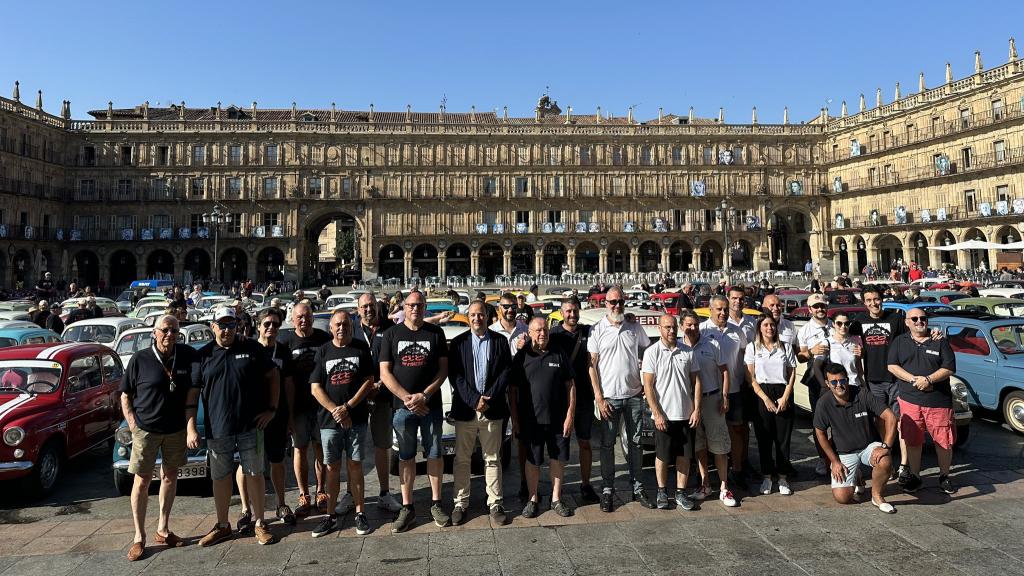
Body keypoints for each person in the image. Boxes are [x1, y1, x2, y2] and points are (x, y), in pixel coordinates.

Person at [190, 308, 278, 547]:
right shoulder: (203, 355)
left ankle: (260, 522)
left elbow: (273, 376)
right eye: (222, 325)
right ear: (213, 326)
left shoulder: (252, 348)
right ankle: (222, 525)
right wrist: (191, 427)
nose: (227, 329)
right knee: (220, 477)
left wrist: (271, 409)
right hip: (218, 428)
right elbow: (193, 394)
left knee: (255, 474)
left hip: (251, 426)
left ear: (237, 325)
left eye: (231, 325)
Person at [120, 315, 196, 561]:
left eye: (174, 331)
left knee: (170, 476)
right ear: (155, 332)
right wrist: (133, 425)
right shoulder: (140, 359)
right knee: (141, 481)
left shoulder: (184, 355)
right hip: (146, 429)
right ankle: (139, 536)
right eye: (165, 330)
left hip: (175, 429)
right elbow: (125, 395)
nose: (170, 335)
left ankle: (163, 528)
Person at [380, 290, 450, 532]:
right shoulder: (391, 334)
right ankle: (407, 507)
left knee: (434, 454)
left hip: (431, 404)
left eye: (419, 305)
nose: (415, 309)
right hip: (402, 408)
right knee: (406, 457)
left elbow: (443, 370)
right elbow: (384, 372)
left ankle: (436, 503)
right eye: (411, 305)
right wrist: (407, 398)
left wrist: (425, 395)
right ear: (404, 307)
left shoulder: (436, 333)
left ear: (425, 307)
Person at [309, 311, 375, 537]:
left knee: (355, 465)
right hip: (329, 422)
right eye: (337, 324)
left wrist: (348, 407)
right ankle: (330, 515)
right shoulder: (323, 351)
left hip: (355, 419)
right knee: (332, 468)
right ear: (330, 328)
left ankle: (360, 513)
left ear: (351, 326)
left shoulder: (360, 348)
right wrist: (335, 411)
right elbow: (315, 387)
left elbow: (369, 381)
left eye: (345, 324)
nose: (341, 328)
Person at [588, 286, 653, 511]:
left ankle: (637, 486)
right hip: (609, 398)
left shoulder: (634, 326)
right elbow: (592, 366)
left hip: (634, 395)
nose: (617, 306)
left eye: (620, 302)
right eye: (613, 302)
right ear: (605, 303)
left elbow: (649, 351)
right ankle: (608, 489)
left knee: (636, 444)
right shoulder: (597, 329)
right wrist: (598, 396)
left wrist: (646, 381)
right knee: (607, 445)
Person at [449, 301, 513, 525]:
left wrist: (489, 398)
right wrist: (474, 399)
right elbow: (455, 376)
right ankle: (460, 502)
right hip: (466, 409)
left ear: (488, 317)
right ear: (468, 317)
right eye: (473, 315)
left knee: (493, 458)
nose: (477, 318)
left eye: (481, 315)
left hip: (492, 409)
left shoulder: (500, 341)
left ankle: (495, 502)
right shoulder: (458, 343)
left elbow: (506, 372)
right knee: (462, 459)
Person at [235, 308, 295, 531]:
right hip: (250, 417)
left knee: (277, 460)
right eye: (267, 324)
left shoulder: (283, 351)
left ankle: (281, 504)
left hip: (276, 414)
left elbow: (288, 385)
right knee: (246, 464)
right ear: (258, 326)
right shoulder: (247, 348)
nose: (271, 328)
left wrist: (288, 416)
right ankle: (245, 509)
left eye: (276, 324)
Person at [510, 317, 576, 518]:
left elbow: (571, 385)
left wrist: (570, 415)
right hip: (531, 420)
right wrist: (515, 420)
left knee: (557, 459)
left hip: (557, 420)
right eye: (538, 330)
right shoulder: (522, 356)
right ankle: (532, 498)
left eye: (545, 330)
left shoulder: (558, 353)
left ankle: (555, 498)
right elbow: (512, 391)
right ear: (529, 333)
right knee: (533, 460)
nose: (542, 334)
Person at [887, 309, 957, 494]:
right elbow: (892, 366)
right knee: (913, 441)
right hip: (910, 400)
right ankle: (916, 476)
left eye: (923, 318)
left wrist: (928, 380)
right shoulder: (899, 342)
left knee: (943, 441)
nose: (919, 322)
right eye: (915, 319)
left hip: (938, 401)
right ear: (907, 322)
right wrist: (913, 379)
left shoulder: (939, 341)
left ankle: (944, 476)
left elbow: (949, 368)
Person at [814, 363, 898, 513]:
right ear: (827, 384)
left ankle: (877, 496)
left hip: (868, 446)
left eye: (842, 380)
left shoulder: (862, 393)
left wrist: (886, 446)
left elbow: (890, 417)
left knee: (884, 460)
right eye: (833, 382)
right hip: (845, 453)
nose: (839, 385)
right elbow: (819, 433)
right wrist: (834, 461)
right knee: (842, 497)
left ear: (847, 380)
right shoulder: (824, 402)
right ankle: (857, 476)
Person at [642, 314, 701, 511]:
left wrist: (697, 409)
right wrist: (656, 413)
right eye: (667, 327)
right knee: (663, 456)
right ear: (660, 329)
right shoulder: (652, 352)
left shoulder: (687, 351)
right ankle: (661, 491)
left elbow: (697, 382)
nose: (671, 331)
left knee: (684, 455)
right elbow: (648, 385)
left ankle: (681, 492)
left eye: (674, 327)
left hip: (685, 414)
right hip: (664, 416)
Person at [278, 302, 332, 517]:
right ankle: (303, 494)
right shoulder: (286, 342)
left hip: (321, 406)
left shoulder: (323, 338)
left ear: (312, 317)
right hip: (298, 406)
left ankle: (321, 491)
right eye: (299, 317)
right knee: (300, 449)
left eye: (307, 316)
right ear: (293, 320)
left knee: (320, 448)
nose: (304, 320)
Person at [351, 293, 402, 513]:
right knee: (353, 448)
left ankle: (384, 493)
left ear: (378, 307)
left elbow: (396, 359)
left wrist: (381, 383)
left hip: (382, 396)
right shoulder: (350, 328)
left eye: (371, 305)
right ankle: (351, 493)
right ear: (358, 309)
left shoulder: (389, 328)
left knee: (383, 445)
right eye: (364, 306)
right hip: (356, 398)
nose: (368, 310)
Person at [680, 312, 737, 507]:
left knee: (719, 445)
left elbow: (725, 372)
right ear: (682, 326)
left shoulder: (712, 344)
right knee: (699, 446)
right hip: (689, 404)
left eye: (695, 324)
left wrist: (724, 396)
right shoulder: (678, 347)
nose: (693, 328)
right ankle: (705, 484)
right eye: (689, 324)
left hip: (712, 399)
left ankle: (724, 486)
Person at [549, 297, 599, 503]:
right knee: (560, 445)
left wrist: (630, 319)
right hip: (560, 399)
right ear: (562, 313)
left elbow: (609, 324)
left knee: (585, 443)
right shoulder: (553, 335)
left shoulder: (587, 332)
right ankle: (556, 492)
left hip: (584, 396)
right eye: (568, 311)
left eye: (575, 311)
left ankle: (586, 484)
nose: (572, 315)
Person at [699, 295, 748, 489]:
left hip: (734, 389)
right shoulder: (701, 330)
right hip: (709, 390)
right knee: (705, 435)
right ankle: (706, 477)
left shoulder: (737, 331)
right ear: (710, 309)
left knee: (735, 430)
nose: (723, 313)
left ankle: (736, 470)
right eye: (719, 309)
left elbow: (744, 356)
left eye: (725, 309)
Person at [746, 315, 798, 495]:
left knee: (783, 439)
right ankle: (767, 477)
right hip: (762, 393)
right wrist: (765, 398)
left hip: (782, 391)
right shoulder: (752, 347)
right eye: (766, 325)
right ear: (759, 328)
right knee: (764, 438)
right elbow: (750, 377)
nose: (770, 328)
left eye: (772, 325)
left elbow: (792, 373)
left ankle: (783, 477)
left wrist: (785, 396)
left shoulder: (785, 346)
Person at [797, 292, 833, 476]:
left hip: (837, 377)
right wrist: (811, 351)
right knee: (819, 421)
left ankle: (838, 456)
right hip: (817, 380)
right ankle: (822, 457)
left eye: (822, 306)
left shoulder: (836, 325)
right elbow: (800, 357)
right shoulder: (804, 330)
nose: (820, 309)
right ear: (810, 309)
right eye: (816, 306)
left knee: (839, 420)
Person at [827, 312, 864, 388]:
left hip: (855, 384)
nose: (843, 326)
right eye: (839, 323)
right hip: (837, 386)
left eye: (846, 323)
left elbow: (858, 366)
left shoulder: (856, 340)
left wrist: (864, 385)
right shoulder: (827, 342)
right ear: (833, 324)